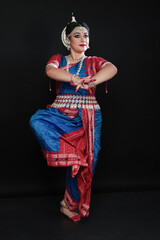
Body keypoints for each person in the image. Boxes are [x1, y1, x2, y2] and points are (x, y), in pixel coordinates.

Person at [29, 14, 117, 222]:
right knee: (37, 122)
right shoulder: (59, 60)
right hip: (61, 114)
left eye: (85, 35)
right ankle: (73, 156)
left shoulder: (93, 61)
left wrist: (92, 81)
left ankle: (68, 203)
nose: (82, 39)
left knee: (89, 161)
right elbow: (50, 71)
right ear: (68, 40)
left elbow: (111, 68)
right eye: (77, 35)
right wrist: (73, 78)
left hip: (89, 116)